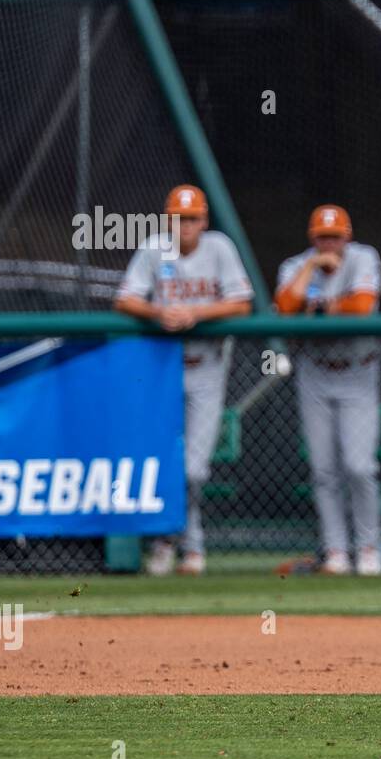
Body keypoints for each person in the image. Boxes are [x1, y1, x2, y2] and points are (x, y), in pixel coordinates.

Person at [115, 184, 253, 576]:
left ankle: (175, 540)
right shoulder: (155, 248)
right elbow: (124, 299)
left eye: (192, 218)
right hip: (161, 369)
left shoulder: (219, 248)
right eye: (178, 218)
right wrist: (159, 312)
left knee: (195, 469)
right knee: (164, 462)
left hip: (206, 367)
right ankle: (181, 544)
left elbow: (242, 304)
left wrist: (196, 313)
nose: (185, 226)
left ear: (204, 221)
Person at [275, 205, 381, 576]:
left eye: (335, 236)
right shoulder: (295, 266)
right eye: (323, 237)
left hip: (357, 370)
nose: (329, 243)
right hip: (315, 371)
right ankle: (336, 550)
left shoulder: (363, 257)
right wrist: (310, 269)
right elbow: (286, 308)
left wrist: (318, 308)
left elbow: (362, 306)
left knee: (359, 466)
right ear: (313, 238)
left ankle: (367, 546)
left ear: (347, 236)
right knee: (323, 470)